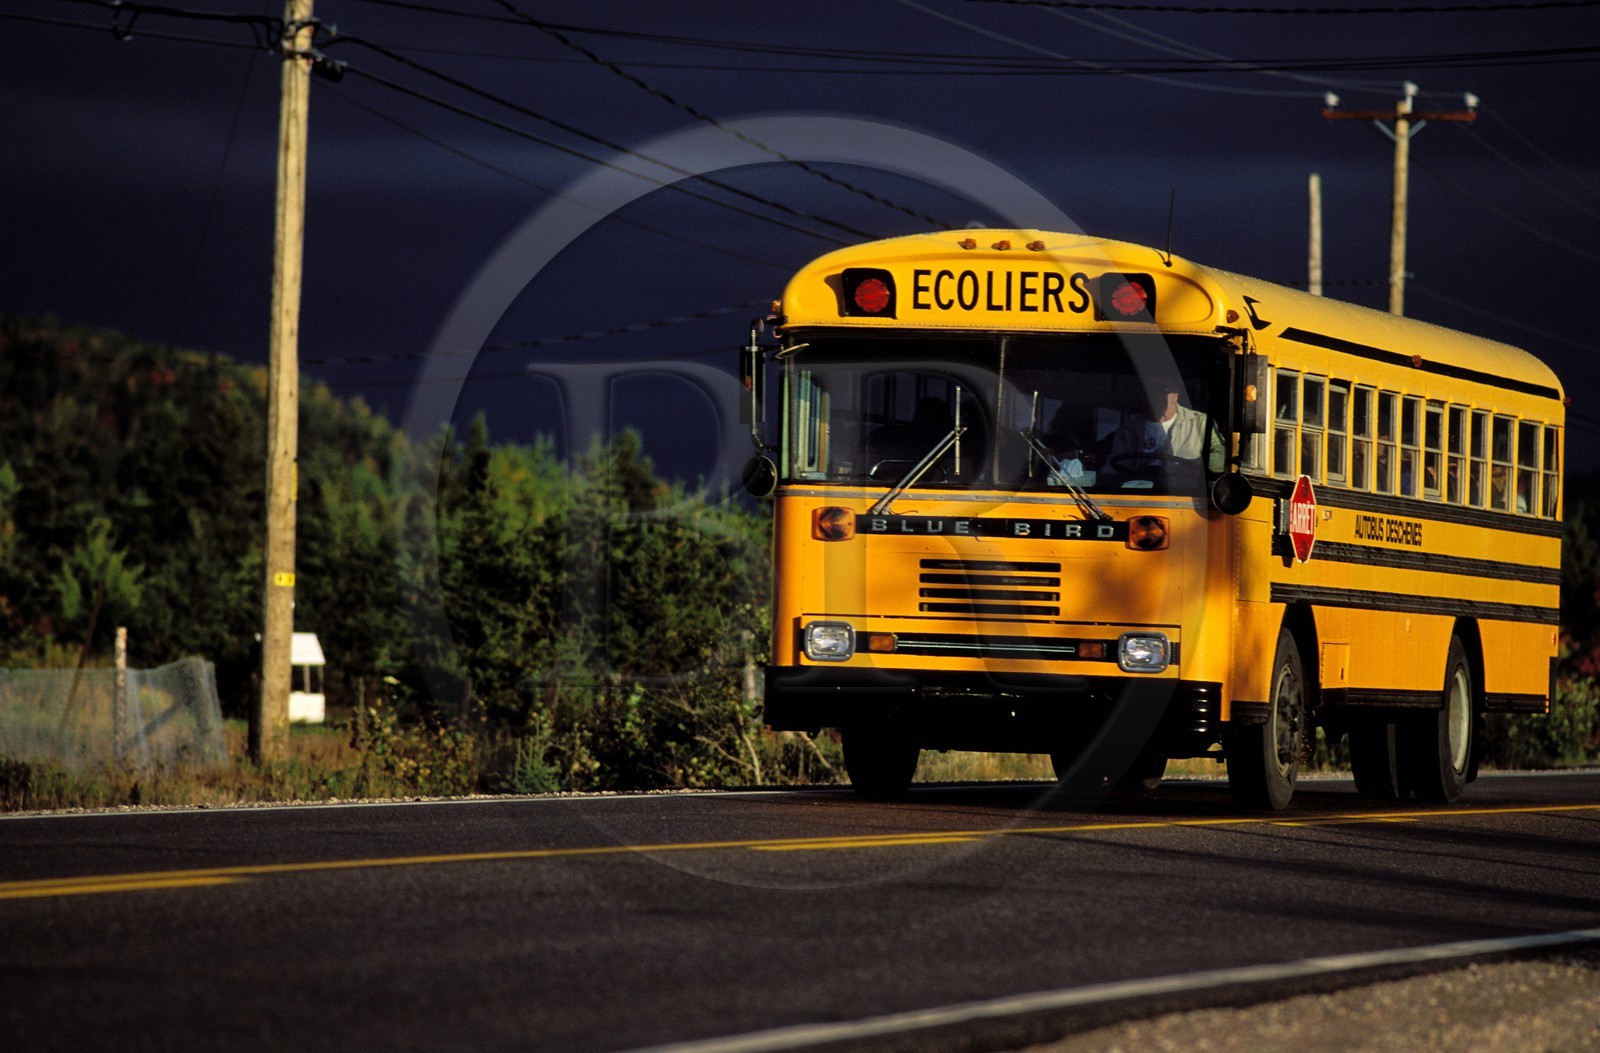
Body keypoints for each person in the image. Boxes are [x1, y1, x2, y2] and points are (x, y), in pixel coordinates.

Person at [1109, 377, 1221, 472]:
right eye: (1151, 389)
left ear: (1176, 394)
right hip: (1141, 491)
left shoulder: (1200, 423)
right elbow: (1113, 470)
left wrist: (1193, 467)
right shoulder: (1128, 430)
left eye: (1163, 389)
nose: (1157, 395)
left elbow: (1223, 458)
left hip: (1186, 493)